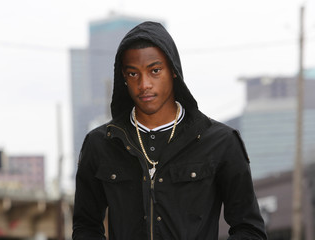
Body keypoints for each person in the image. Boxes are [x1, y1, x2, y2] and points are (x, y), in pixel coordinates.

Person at [72, 21, 267, 240]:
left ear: (173, 71)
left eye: (155, 71)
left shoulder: (221, 142)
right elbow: (86, 228)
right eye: (133, 74)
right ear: (123, 78)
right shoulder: (100, 144)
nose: (144, 84)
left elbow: (249, 229)